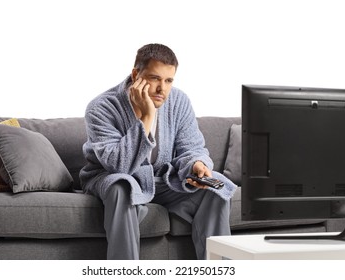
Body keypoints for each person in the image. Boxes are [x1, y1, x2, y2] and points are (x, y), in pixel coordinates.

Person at [79, 43, 237, 260]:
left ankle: (218, 269)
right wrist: (147, 117)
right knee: (121, 186)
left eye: (169, 80)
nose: (162, 89)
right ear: (136, 75)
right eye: (155, 78)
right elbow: (118, 165)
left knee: (215, 188)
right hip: (110, 178)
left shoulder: (179, 101)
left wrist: (196, 164)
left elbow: (192, 148)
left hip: (162, 179)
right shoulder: (101, 107)